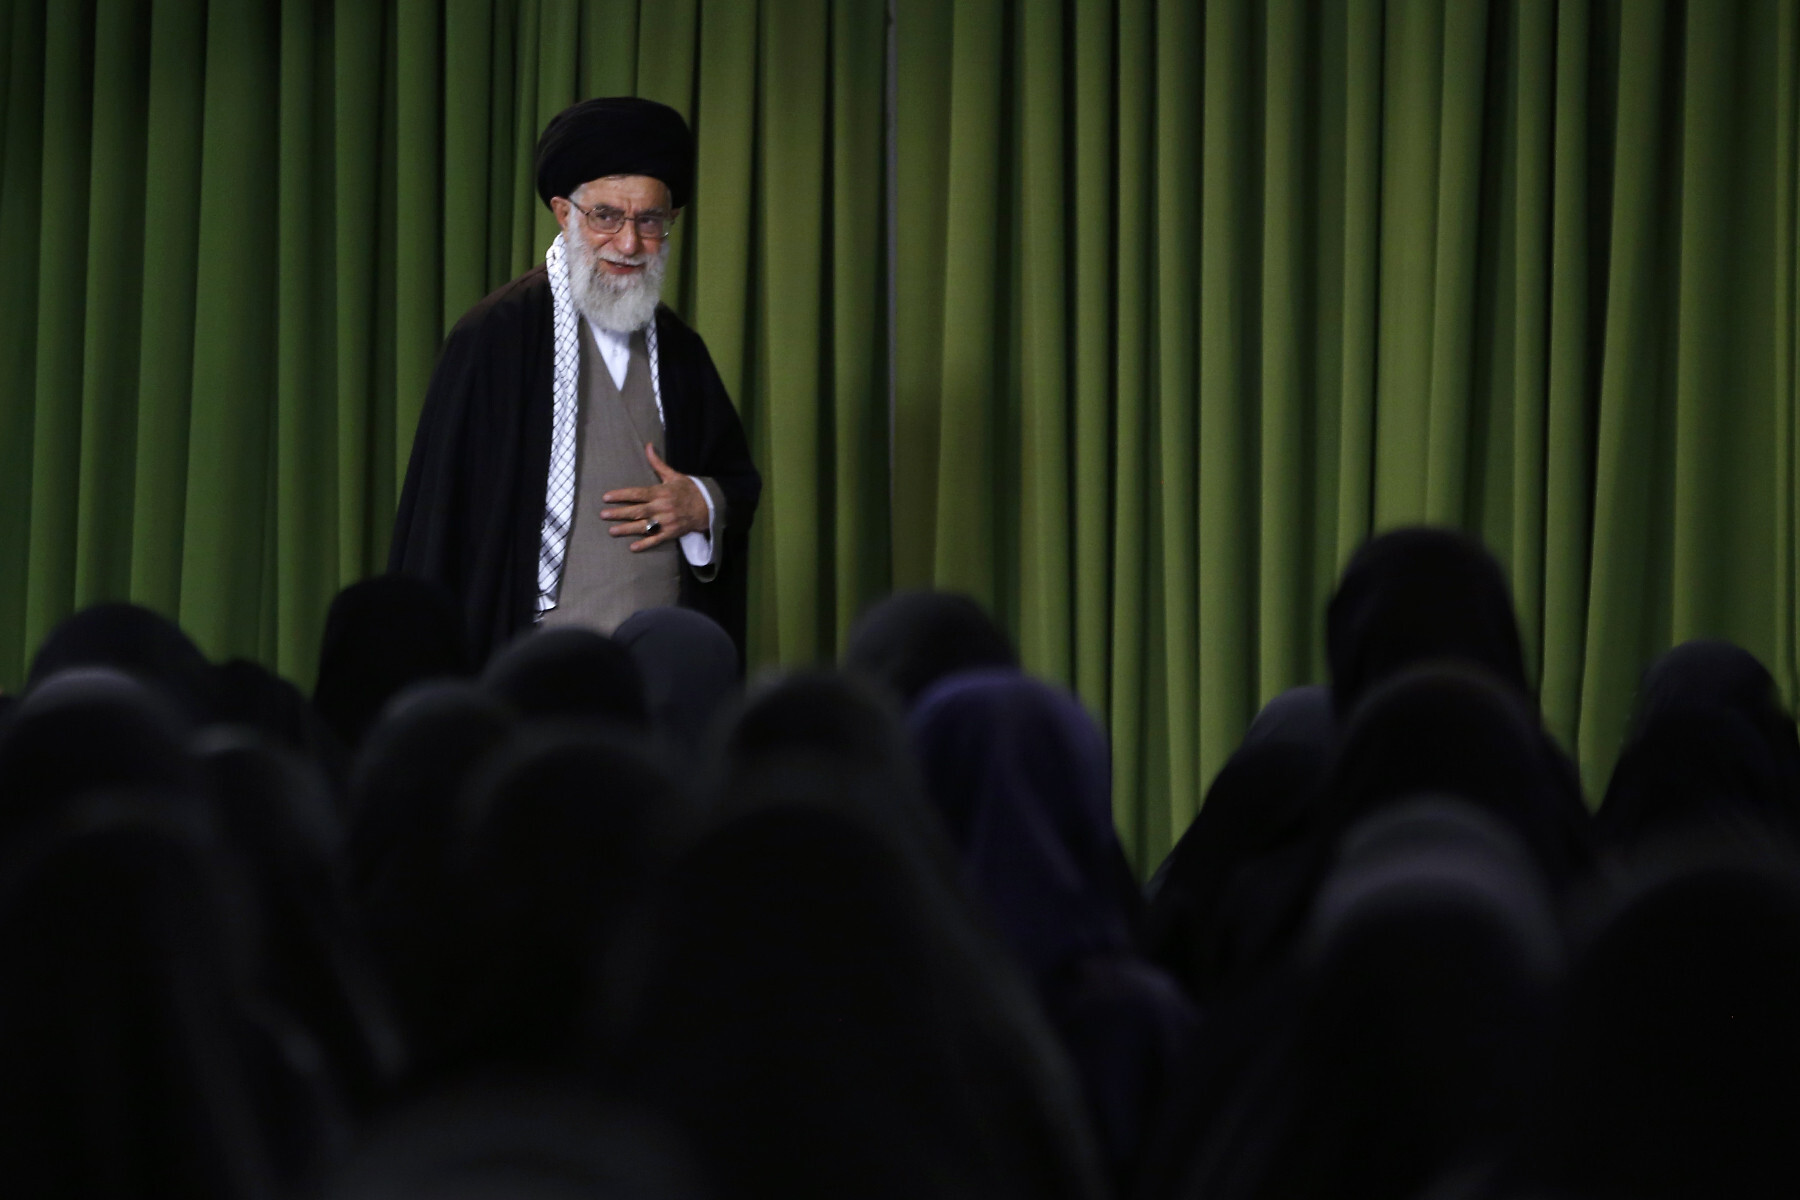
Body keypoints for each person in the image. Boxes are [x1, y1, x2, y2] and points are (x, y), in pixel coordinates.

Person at [390, 97, 761, 664]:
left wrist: (702, 504)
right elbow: (448, 521)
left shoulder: (680, 350)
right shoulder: (497, 336)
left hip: (660, 672)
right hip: (534, 668)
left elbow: (733, 480)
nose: (629, 243)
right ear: (565, 213)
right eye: (606, 216)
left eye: (650, 221)